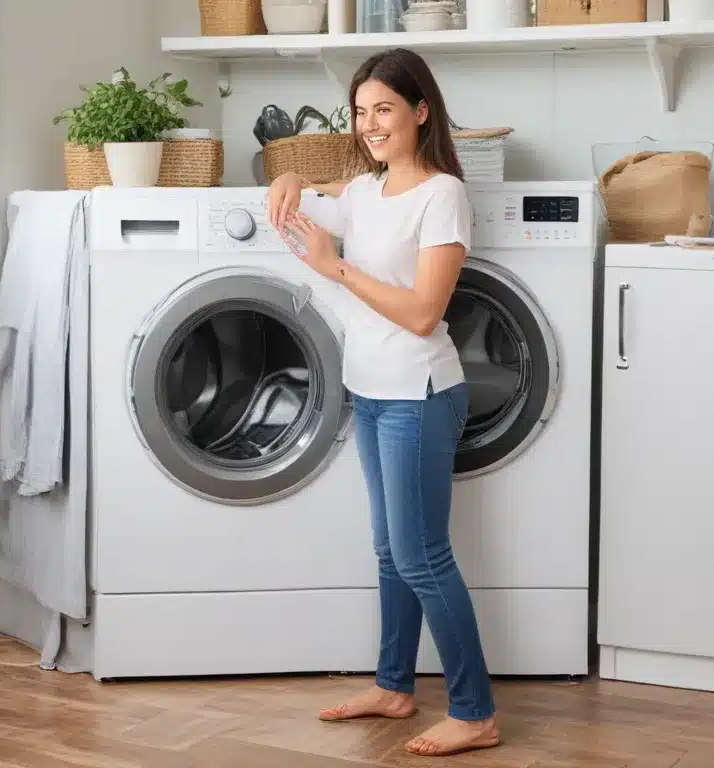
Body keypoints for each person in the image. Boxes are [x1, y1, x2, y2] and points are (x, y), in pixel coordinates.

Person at [266, 47, 500, 758]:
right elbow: (319, 190)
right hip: (369, 390)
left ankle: (475, 711)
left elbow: (426, 311)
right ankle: (395, 686)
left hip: (420, 394)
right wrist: (291, 170)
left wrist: (334, 267)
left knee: (422, 554)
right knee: (390, 551)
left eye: (385, 110)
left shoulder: (443, 195)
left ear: (421, 111)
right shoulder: (367, 192)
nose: (371, 124)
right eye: (362, 112)